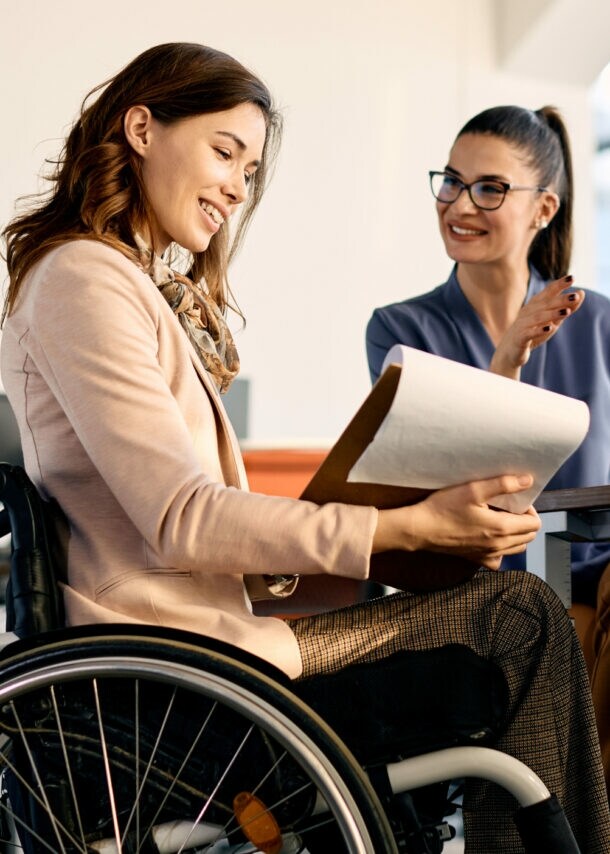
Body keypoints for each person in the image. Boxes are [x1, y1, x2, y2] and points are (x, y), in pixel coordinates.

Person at [1, 48, 608, 852]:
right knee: (520, 618)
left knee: (514, 612)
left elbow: (174, 526)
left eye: (249, 172)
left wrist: (373, 528)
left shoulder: (121, 283)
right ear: (141, 129)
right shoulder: (85, 278)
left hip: (209, 646)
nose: (235, 188)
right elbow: (183, 517)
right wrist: (406, 530)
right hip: (183, 678)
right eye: (224, 152)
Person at [366, 104, 610, 789]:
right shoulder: (399, 332)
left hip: (593, 579)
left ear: (544, 209)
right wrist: (505, 362)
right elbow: (436, 498)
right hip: (477, 588)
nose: (459, 203)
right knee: (565, 627)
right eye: (451, 180)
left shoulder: (601, 324)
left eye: (490, 188)